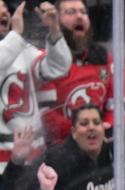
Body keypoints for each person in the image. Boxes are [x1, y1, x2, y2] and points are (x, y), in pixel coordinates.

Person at [0, 1, 71, 173]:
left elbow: (58, 67)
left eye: (5, 8)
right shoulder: (14, 43)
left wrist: (54, 31)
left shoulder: (22, 50)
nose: (4, 12)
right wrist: (16, 34)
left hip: (34, 159)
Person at [39, 0, 106, 146]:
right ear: (56, 20)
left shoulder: (102, 58)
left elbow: (115, 106)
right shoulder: (44, 61)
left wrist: (104, 129)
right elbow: (46, 115)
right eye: (70, 12)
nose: (79, 16)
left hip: (96, 145)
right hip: (59, 149)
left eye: (83, 12)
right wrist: (81, 133)